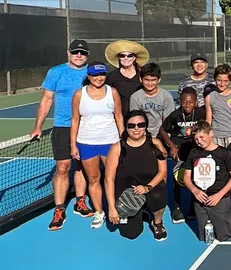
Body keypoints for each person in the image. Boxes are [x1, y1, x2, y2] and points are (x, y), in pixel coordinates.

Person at [33, 39, 93, 231]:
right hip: (62, 127)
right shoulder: (56, 72)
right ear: (68, 52)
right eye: (75, 52)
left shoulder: (93, 72)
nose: (79, 56)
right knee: (62, 167)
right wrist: (38, 127)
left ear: (87, 55)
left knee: (83, 165)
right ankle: (59, 209)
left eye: (82, 53)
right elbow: (46, 100)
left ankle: (80, 201)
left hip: (87, 126)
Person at [69, 61, 124, 229]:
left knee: (113, 178)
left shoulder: (113, 92)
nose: (99, 78)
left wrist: (123, 140)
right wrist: (73, 145)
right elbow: (75, 120)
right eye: (95, 75)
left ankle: (117, 209)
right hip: (87, 143)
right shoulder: (79, 95)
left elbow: (119, 117)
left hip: (111, 142)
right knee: (93, 179)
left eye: (102, 75)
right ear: (88, 76)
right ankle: (100, 212)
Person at [104, 110, 169, 241]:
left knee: (159, 195)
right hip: (127, 194)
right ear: (126, 127)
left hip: (150, 187)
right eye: (131, 125)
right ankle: (142, 210)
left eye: (140, 124)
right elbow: (108, 179)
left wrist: (147, 188)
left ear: (146, 126)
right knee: (131, 234)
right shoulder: (117, 148)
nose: (136, 128)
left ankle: (157, 222)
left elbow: (163, 172)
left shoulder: (155, 144)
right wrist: (111, 208)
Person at [182, 121, 231, 242]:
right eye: (196, 139)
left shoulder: (225, 153)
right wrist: (195, 191)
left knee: (223, 236)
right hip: (201, 198)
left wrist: (219, 195)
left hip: (219, 198)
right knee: (205, 237)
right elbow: (186, 176)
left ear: (211, 133)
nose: (199, 141)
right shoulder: (194, 153)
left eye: (201, 137)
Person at [160, 87, 205, 224]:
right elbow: (162, 129)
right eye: (184, 102)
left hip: (194, 149)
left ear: (196, 102)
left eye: (191, 102)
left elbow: (206, 129)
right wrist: (172, 146)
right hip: (179, 150)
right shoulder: (175, 115)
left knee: (197, 178)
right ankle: (177, 207)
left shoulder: (201, 114)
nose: (187, 105)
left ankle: (194, 206)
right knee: (177, 180)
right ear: (180, 101)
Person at [129, 63, 175, 146]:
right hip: (142, 135)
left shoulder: (166, 96)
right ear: (140, 79)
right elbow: (135, 120)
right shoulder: (135, 97)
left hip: (162, 135)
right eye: (146, 80)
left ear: (159, 79)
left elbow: (168, 121)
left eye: (153, 80)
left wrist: (161, 138)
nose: (150, 83)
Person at [205, 64, 231, 148]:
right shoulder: (209, 97)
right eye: (219, 80)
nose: (222, 84)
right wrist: (208, 136)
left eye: (225, 81)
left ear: (230, 80)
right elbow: (208, 120)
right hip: (216, 137)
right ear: (215, 79)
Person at [104, 40, 148, 117]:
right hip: (119, 117)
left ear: (134, 58)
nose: (126, 58)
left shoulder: (142, 74)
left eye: (129, 55)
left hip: (141, 116)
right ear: (119, 58)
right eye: (122, 55)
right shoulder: (112, 76)